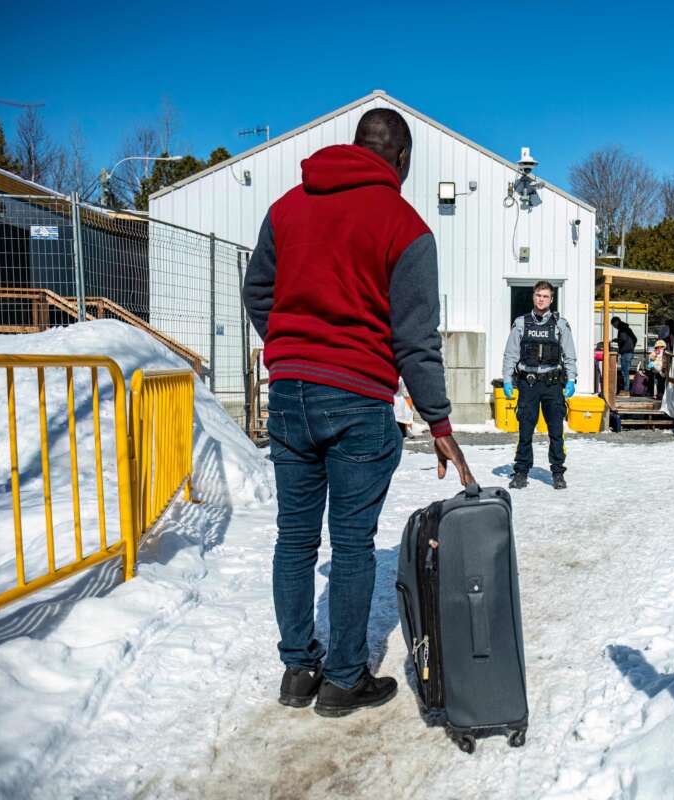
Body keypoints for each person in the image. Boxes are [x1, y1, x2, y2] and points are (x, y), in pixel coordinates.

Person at [242, 108, 475, 718]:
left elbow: (256, 291)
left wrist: (292, 346)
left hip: (289, 391)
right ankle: (344, 680)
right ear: (401, 161)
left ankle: (298, 671)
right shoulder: (406, 226)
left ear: (353, 147)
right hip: (357, 399)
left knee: (294, 538)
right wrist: (441, 425)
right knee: (350, 544)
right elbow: (415, 340)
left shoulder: (287, 207)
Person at [501, 281, 578, 490]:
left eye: (545, 296)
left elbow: (569, 355)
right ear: (533, 297)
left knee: (555, 430)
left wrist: (571, 379)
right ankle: (521, 472)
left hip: (553, 384)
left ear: (551, 299)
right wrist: (507, 380)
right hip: (528, 384)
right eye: (538, 295)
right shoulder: (521, 323)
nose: (541, 299)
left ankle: (558, 471)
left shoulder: (560, 325)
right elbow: (510, 354)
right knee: (525, 430)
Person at [610, 315, 638, 394]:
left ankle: (626, 390)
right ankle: (626, 389)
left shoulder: (622, 329)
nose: (614, 327)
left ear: (616, 322)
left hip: (626, 353)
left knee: (624, 371)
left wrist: (616, 340)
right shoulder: (627, 328)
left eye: (613, 325)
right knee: (626, 371)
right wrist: (632, 347)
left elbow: (623, 339)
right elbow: (635, 339)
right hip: (629, 352)